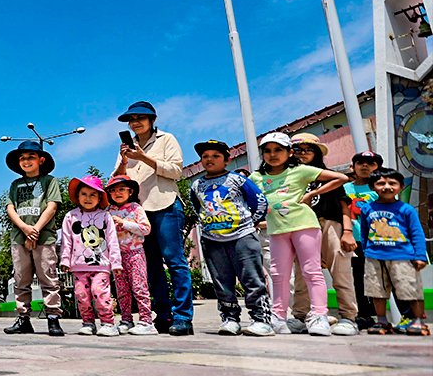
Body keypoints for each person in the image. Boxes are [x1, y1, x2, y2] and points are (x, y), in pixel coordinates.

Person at [250, 132, 349, 337]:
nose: (273, 155)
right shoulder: (256, 177)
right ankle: (278, 317)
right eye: (267, 151)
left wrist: (313, 193)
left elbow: (341, 178)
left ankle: (319, 315)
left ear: (289, 153)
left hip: (304, 226)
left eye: (278, 150)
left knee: (311, 271)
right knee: (279, 275)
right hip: (276, 230)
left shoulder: (301, 171)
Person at [112, 101, 191, 335]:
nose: (135, 123)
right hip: (139, 212)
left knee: (174, 260)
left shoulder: (166, 139)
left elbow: (177, 171)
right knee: (151, 265)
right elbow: (116, 181)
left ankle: (183, 316)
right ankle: (164, 315)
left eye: (140, 118)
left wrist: (144, 157)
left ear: (152, 120)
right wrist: (125, 161)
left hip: (165, 205)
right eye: (131, 119)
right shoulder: (127, 147)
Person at [188, 140, 272, 336]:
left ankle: (261, 318)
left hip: (242, 236)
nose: (209, 159)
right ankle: (230, 318)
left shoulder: (237, 179)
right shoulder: (197, 184)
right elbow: (197, 207)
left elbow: (260, 202)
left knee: (251, 277)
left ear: (227, 159)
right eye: (205, 156)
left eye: (215, 156)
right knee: (221, 281)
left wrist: (250, 223)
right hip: (212, 239)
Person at [286, 134, 360, 335]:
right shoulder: (289, 177)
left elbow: (345, 206)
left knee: (341, 272)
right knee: (302, 273)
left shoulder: (328, 175)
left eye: (308, 149)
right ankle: (301, 316)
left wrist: (347, 232)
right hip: (301, 227)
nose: (302, 153)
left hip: (329, 224)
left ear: (317, 153)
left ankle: (348, 317)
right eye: (298, 150)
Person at [2, 139, 65, 337]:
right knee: (21, 278)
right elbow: (10, 208)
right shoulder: (15, 184)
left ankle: (53, 317)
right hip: (19, 237)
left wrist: (35, 230)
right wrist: (24, 228)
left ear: (41, 160)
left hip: (44, 237)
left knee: (48, 277)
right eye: (22, 158)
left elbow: (52, 206)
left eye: (31, 157)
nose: (26, 161)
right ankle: (23, 318)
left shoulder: (49, 181)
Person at [360, 169, 429, 336]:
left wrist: (420, 255)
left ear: (401, 186)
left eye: (392, 183)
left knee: (410, 290)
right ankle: (382, 321)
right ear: (372, 187)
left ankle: (418, 321)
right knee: (376, 290)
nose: (386, 187)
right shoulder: (367, 208)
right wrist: (366, 251)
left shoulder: (406, 209)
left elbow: (417, 233)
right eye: (381, 183)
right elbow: (364, 233)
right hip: (374, 257)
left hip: (402, 257)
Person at [58, 176, 122, 336]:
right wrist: (65, 260)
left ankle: (108, 323)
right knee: (81, 295)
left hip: (101, 265)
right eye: (84, 194)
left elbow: (113, 241)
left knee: (99, 291)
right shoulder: (70, 216)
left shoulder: (105, 216)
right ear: (78, 196)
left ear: (99, 197)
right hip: (78, 265)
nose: (88, 198)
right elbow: (66, 240)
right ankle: (88, 323)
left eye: (93, 194)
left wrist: (116, 263)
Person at [105, 175, 155, 335]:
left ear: (130, 191)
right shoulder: (108, 211)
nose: (117, 193)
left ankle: (146, 321)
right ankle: (126, 319)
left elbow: (146, 229)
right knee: (122, 290)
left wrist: (124, 223)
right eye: (113, 190)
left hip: (135, 253)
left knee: (139, 287)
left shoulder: (135, 208)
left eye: (121, 189)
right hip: (116, 256)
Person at [344, 150, 384, 331]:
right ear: (353, 167)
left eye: (371, 163)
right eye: (360, 162)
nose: (365, 166)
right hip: (354, 240)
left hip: (377, 241)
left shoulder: (381, 188)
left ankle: (380, 316)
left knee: (378, 278)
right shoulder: (345, 188)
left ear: (378, 167)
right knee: (357, 278)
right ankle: (363, 314)